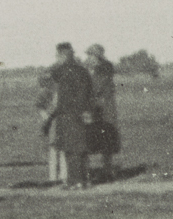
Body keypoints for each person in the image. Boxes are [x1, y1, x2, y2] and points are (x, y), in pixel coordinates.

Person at [48, 41, 96, 189]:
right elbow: (89, 93)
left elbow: (50, 77)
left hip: (67, 113)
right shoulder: (83, 71)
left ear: (62, 55)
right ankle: (84, 180)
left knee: (70, 149)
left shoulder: (61, 71)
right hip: (82, 113)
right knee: (81, 148)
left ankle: (74, 182)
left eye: (58, 55)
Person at [85, 43, 120, 182]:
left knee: (105, 140)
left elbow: (96, 87)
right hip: (99, 109)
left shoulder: (103, 69)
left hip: (104, 109)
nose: (89, 58)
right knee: (99, 140)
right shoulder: (97, 69)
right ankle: (103, 170)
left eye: (91, 55)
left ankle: (106, 171)